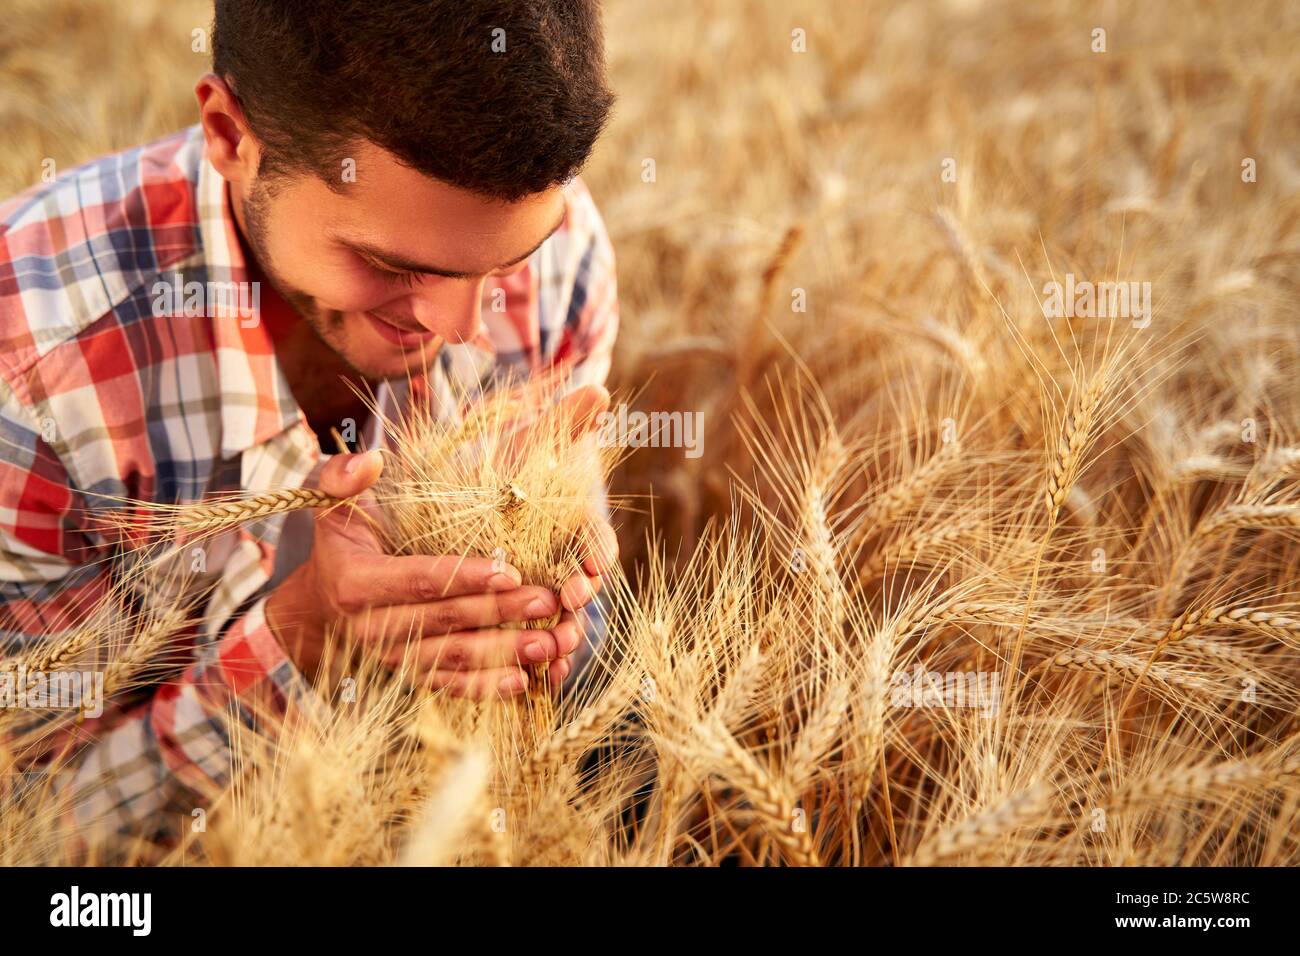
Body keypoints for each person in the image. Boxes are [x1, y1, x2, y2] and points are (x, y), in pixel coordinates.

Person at [0, 0, 619, 838]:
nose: (468, 327)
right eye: (389, 265)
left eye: (510, 262)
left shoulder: (566, 249)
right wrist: (307, 635)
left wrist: (550, 596)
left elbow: (565, 686)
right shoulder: (31, 374)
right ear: (229, 135)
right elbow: (31, 823)